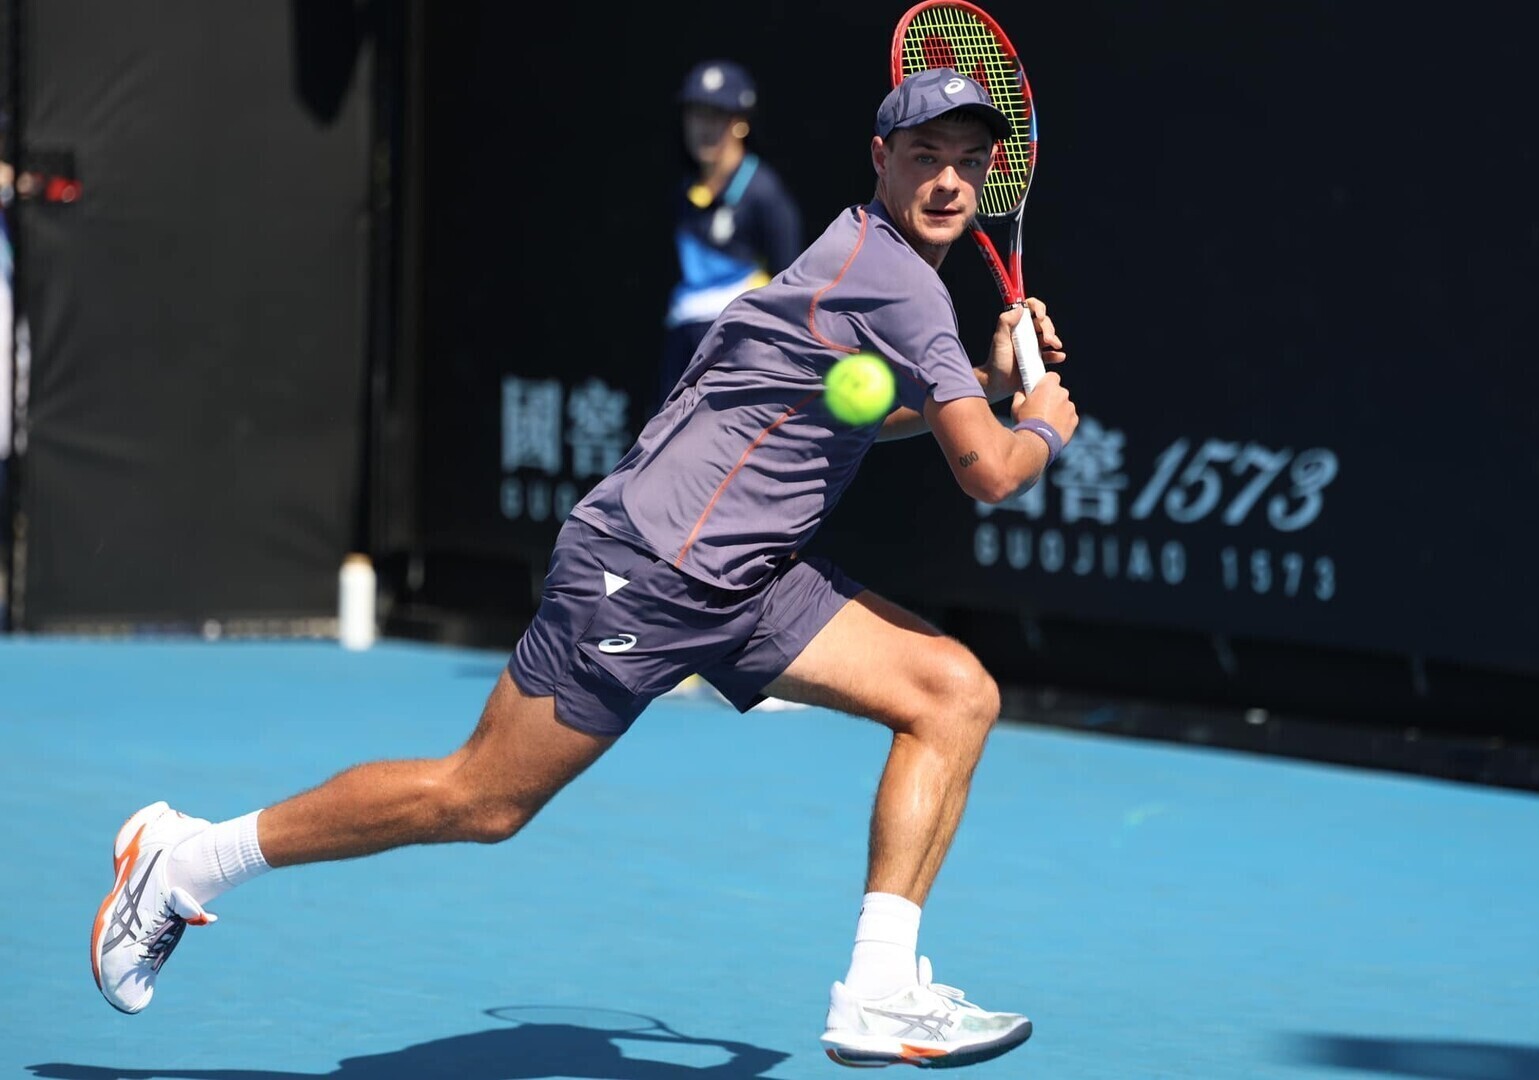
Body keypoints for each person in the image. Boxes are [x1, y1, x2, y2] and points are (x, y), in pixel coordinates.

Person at [90, 66, 1079, 1071]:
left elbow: (840, 412)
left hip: (746, 574)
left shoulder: (868, 255)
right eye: (924, 157)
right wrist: (1035, 423)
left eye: (967, 161)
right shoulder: (901, 282)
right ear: (881, 159)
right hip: (647, 569)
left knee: (952, 694)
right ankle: (186, 862)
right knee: (478, 799)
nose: (948, 181)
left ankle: (876, 991)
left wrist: (991, 386)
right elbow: (989, 473)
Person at [658, 59, 802, 406]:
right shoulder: (684, 193)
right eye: (696, 114)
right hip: (682, 350)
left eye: (716, 115)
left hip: (740, 355)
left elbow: (793, 287)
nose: (704, 127)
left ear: (741, 124)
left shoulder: (764, 193)